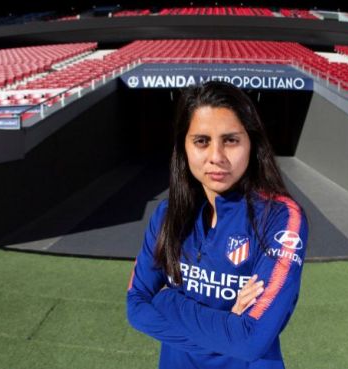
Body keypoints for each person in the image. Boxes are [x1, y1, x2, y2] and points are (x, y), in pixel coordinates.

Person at [127, 81, 309, 369]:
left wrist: (167, 302)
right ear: (183, 147)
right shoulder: (166, 216)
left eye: (231, 140)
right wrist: (228, 324)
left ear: (252, 142)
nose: (216, 157)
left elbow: (251, 341)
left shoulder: (280, 218)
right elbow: (136, 307)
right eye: (202, 141)